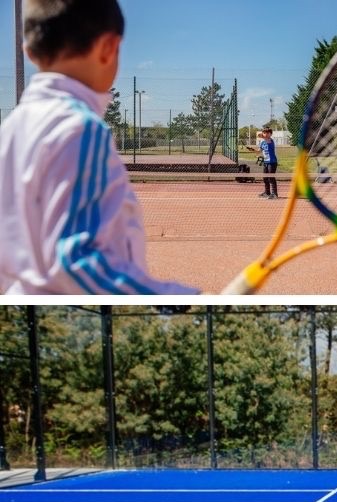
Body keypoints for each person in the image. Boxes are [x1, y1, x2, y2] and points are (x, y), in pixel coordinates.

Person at [0, 0, 197, 295]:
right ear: (108, 48)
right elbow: (75, 261)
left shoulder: (10, 130)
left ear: (29, 52)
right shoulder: (81, 128)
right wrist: (180, 299)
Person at [255, 126, 279, 199]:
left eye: (267, 133)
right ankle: (267, 192)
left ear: (270, 134)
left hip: (272, 162)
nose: (265, 134)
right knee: (265, 178)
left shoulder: (270, 141)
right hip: (266, 162)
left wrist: (262, 135)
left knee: (271, 178)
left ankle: (274, 194)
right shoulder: (262, 142)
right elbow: (259, 151)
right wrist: (253, 150)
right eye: (264, 133)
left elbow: (261, 136)